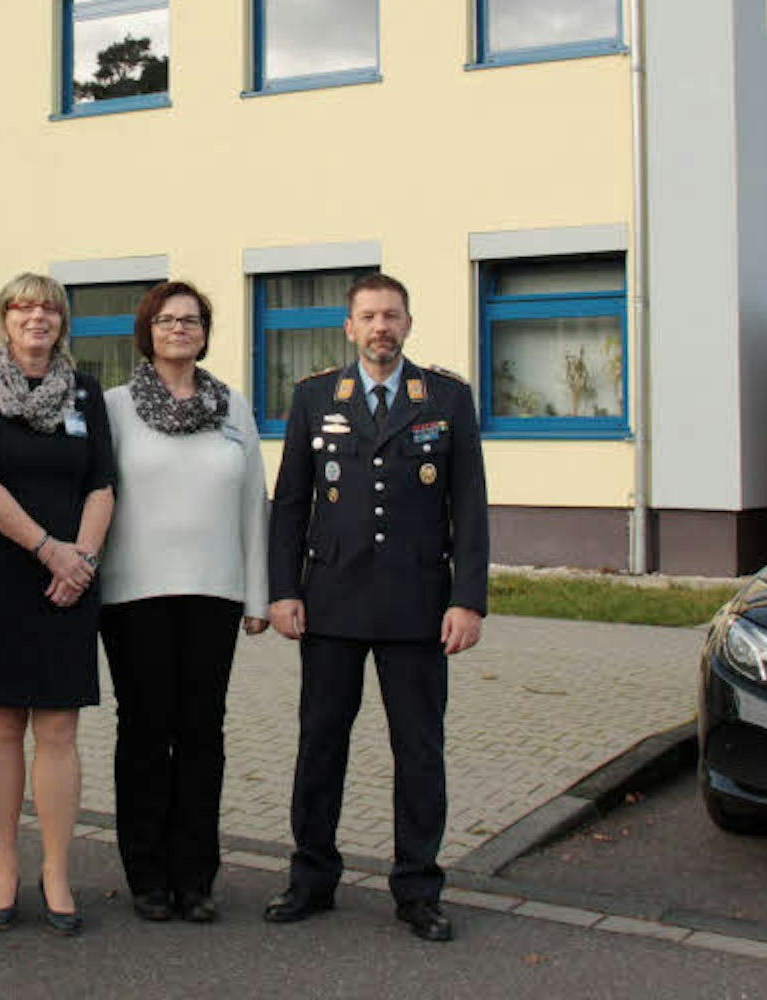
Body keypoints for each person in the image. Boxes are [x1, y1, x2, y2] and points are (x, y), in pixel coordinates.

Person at [261, 273, 489, 943]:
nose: (380, 327)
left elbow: (470, 505)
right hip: (330, 602)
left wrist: (467, 600)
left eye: (391, 315)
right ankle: (311, 878)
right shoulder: (314, 397)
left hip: (418, 605)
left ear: (408, 324)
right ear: (349, 327)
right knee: (320, 744)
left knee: (419, 750)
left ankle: (418, 888)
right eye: (368, 316)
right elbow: (290, 503)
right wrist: (283, 589)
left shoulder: (446, 397)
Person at [98, 281, 268, 924]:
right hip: (133, 594)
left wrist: (258, 593)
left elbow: (253, 500)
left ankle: (196, 877)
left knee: (202, 734)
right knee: (144, 732)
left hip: (214, 592)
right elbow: (97, 496)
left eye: (191, 320)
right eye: (166, 320)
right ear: (147, 332)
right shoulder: (114, 407)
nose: (179, 328)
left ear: (205, 332)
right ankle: (146, 874)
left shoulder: (233, 407)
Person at [0, 273, 114, 937]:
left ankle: (55, 870)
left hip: (70, 579)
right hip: (1, 574)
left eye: (48, 307)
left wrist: (82, 562)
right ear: (4, 318)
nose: (36, 317)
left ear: (62, 321)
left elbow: (103, 483)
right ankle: (3, 869)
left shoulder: (86, 391)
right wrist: (50, 550)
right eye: (23, 307)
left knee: (57, 728)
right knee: (0, 725)